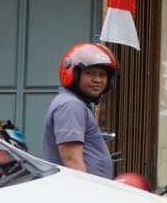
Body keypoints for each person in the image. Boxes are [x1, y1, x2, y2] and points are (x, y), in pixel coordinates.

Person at [42, 42, 117, 179]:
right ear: (74, 74)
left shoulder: (77, 104)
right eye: (90, 73)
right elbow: (72, 161)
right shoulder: (71, 106)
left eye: (102, 75)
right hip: (81, 190)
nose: (97, 80)